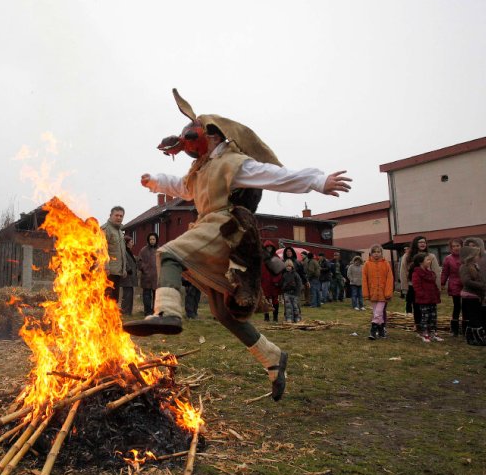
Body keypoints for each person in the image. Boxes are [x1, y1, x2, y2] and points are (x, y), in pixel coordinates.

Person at [123, 89, 352, 402]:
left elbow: (275, 176)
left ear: (214, 136)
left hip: (225, 227)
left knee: (169, 253)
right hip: (207, 226)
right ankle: (273, 358)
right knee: (222, 311)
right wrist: (156, 181)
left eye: (194, 136)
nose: (189, 145)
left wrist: (318, 180)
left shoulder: (233, 163)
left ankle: (167, 313)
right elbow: (182, 188)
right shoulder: (200, 169)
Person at [459, 244, 486, 346]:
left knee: (475, 318)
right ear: (471, 256)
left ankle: (471, 338)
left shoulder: (475, 266)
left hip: (476, 295)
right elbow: (466, 281)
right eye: (477, 255)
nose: (478, 257)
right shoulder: (465, 267)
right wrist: (482, 285)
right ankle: (479, 339)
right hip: (470, 296)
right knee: (475, 318)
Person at [362, 244, 393, 340]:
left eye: (378, 252)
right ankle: (381, 331)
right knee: (376, 312)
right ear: (371, 253)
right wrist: (366, 293)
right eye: (374, 252)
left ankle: (372, 330)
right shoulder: (367, 264)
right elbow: (364, 279)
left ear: (381, 253)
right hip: (373, 293)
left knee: (378, 312)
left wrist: (388, 293)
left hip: (383, 294)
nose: (376, 254)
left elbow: (390, 279)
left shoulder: (386, 264)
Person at [412, 252, 443, 343]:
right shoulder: (416, 273)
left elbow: (433, 285)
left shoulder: (430, 273)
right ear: (421, 262)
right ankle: (425, 333)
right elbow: (417, 286)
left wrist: (436, 294)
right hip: (423, 300)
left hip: (432, 298)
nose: (430, 261)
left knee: (433, 316)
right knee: (425, 317)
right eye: (428, 260)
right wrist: (422, 295)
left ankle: (433, 332)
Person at [101, 206, 127, 301]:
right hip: (108, 271)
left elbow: (122, 252)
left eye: (121, 216)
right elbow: (101, 250)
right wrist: (105, 267)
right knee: (107, 299)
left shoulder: (120, 231)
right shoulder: (105, 229)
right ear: (110, 215)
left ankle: (112, 316)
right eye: (116, 215)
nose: (119, 218)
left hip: (117, 271)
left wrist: (123, 269)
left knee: (114, 299)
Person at [440, 238, 464, 337]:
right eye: (453, 246)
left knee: (466, 307)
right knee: (457, 306)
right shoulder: (448, 259)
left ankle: (466, 327)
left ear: (462, 246)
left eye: (457, 245)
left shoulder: (466, 257)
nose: (456, 248)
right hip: (454, 285)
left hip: (467, 285)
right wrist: (442, 283)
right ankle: (454, 329)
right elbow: (445, 272)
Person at [138, 233, 159, 316]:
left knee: (156, 296)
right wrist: (144, 269)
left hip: (156, 277)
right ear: (148, 240)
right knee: (146, 296)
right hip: (146, 277)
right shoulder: (143, 250)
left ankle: (155, 311)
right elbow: (139, 262)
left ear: (156, 240)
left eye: (153, 239)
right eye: (150, 239)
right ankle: (147, 311)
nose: (152, 241)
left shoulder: (160, 250)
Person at [261, 241, 283, 322]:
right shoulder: (262, 258)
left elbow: (279, 270)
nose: (269, 249)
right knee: (265, 300)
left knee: (275, 299)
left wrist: (277, 280)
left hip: (274, 283)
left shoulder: (276, 257)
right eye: (267, 248)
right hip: (264, 282)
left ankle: (275, 317)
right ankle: (266, 317)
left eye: (270, 247)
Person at [119, 236, 138, 316]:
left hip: (131, 277)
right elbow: (125, 261)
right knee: (127, 295)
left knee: (130, 294)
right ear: (127, 243)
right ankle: (124, 311)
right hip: (127, 276)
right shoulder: (124, 252)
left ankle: (128, 311)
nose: (132, 243)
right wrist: (128, 269)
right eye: (131, 242)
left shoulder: (129, 251)